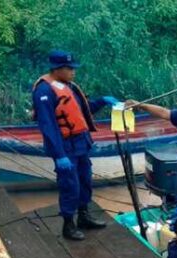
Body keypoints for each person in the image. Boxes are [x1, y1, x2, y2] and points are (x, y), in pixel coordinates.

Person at [32, 49, 118, 240]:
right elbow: (48, 126)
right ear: (57, 69)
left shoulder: (68, 86)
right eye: (69, 68)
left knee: (85, 181)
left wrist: (102, 101)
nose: (73, 72)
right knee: (69, 185)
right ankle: (68, 225)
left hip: (81, 144)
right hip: (65, 147)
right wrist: (59, 154)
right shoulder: (44, 91)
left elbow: (83, 111)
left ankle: (84, 216)